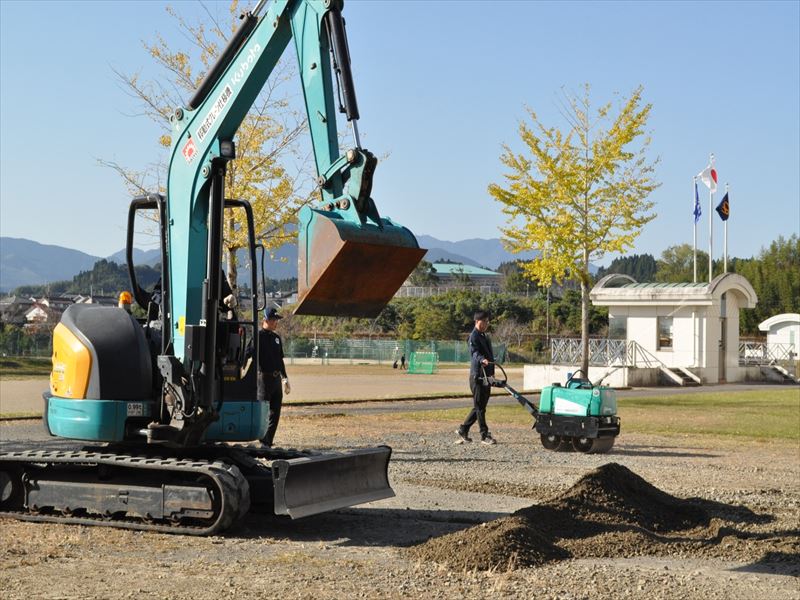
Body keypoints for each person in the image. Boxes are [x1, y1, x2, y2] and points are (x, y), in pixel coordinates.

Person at [456, 310, 497, 445]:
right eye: (483, 321)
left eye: (487, 321)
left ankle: (464, 429)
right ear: (476, 321)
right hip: (477, 376)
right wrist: (482, 360)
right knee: (480, 407)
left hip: (486, 376)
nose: (485, 324)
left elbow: (489, 355)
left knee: (480, 406)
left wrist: (491, 373)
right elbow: (474, 353)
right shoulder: (473, 337)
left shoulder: (484, 336)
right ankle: (484, 435)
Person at [257, 307, 290, 447]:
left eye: (277, 320)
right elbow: (249, 352)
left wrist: (285, 378)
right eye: (274, 320)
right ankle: (262, 439)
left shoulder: (276, 338)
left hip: (276, 380)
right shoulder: (258, 337)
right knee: (264, 412)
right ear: (266, 320)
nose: (276, 322)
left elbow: (279, 360)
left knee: (275, 413)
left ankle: (268, 441)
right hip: (264, 379)